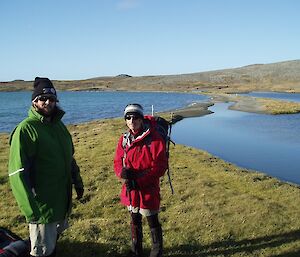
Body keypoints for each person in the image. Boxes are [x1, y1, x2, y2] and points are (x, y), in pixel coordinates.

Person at [8, 77, 84, 257]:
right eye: (43, 99)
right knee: (41, 250)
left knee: (52, 243)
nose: (48, 102)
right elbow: (17, 173)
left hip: (59, 200)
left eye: (51, 98)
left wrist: (77, 182)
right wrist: (30, 210)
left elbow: (69, 159)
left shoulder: (59, 126)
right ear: (34, 101)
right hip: (41, 205)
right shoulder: (26, 130)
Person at [114, 103, 168, 257]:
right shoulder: (124, 139)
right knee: (134, 219)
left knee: (152, 220)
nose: (132, 121)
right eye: (128, 117)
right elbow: (117, 161)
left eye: (136, 117)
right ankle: (135, 250)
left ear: (142, 118)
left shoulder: (154, 139)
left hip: (148, 188)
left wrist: (139, 182)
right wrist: (121, 173)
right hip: (130, 188)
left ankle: (156, 251)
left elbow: (160, 167)